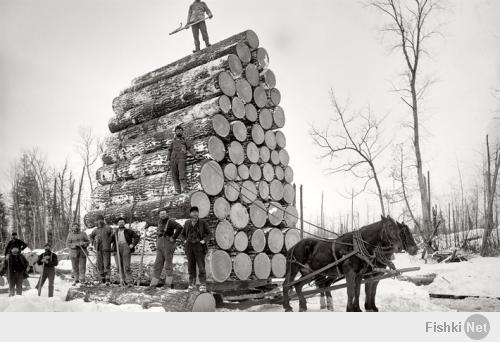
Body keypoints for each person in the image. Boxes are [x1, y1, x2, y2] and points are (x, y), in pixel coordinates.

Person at [149, 208, 183, 289]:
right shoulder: (160, 221)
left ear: (167, 214)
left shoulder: (170, 221)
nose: (162, 215)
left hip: (168, 243)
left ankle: (168, 284)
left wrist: (174, 237)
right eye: (161, 214)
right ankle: (153, 284)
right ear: (159, 215)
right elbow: (155, 224)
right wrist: (149, 224)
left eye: (164, 213)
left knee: (168, 264)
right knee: (157, 264)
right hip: (160, 243)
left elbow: (180, 227)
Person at [180, 206, 211, 290]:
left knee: (201, 266)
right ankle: (191, 283)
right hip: (189, 246)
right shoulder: (187, 223)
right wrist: (185, 241)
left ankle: (202, 284)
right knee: (191, 266)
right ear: (190, 214)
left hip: (199, 246)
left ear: (198, 213)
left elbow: (209, 234)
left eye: (196, 212)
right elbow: (182, 234)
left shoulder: (203, 222)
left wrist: (204, 241)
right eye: (193, 212)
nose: (194, 214)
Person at [111, 216, 140, 287]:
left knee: (126, 266)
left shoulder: (128, 231)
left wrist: (132, 244)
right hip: (117, 248)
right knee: (119, 266)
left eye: (122, 222)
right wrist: (112, 234)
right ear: (118, 223)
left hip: (126, 248)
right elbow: (110, 240)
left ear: (124, 223)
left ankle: (129, 281)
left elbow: (137, 237)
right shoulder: (115, 231)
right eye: (119, 222)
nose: (121, 223)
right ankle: (122, 281)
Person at [167, 125, 196, 194]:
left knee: (182, 174)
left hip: (181, 159)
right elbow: (169, 150)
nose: (179, 132)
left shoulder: (185, 140)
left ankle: (185, 188)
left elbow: (190, 148)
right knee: (174, 176)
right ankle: (177, 190)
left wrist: (195, 155)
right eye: (177, 130)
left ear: (182, 132)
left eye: (180, 130)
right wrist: (168, 160)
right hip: (173, 160)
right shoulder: (173, 141)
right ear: (175, 132)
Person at [89, 215, 114, 285]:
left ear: (103, 220)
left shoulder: (108, 228)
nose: (99, 221)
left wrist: (110, 240)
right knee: (100, 264)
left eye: (101, 219)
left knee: (107, 263)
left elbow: (112, 234)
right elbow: (91, 236)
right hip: (98, 249)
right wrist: (93, 242)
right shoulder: (95, 230)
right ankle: (102, 278)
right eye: (98, 220)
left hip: (106, 248)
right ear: (96, 221)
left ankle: (108, 278)